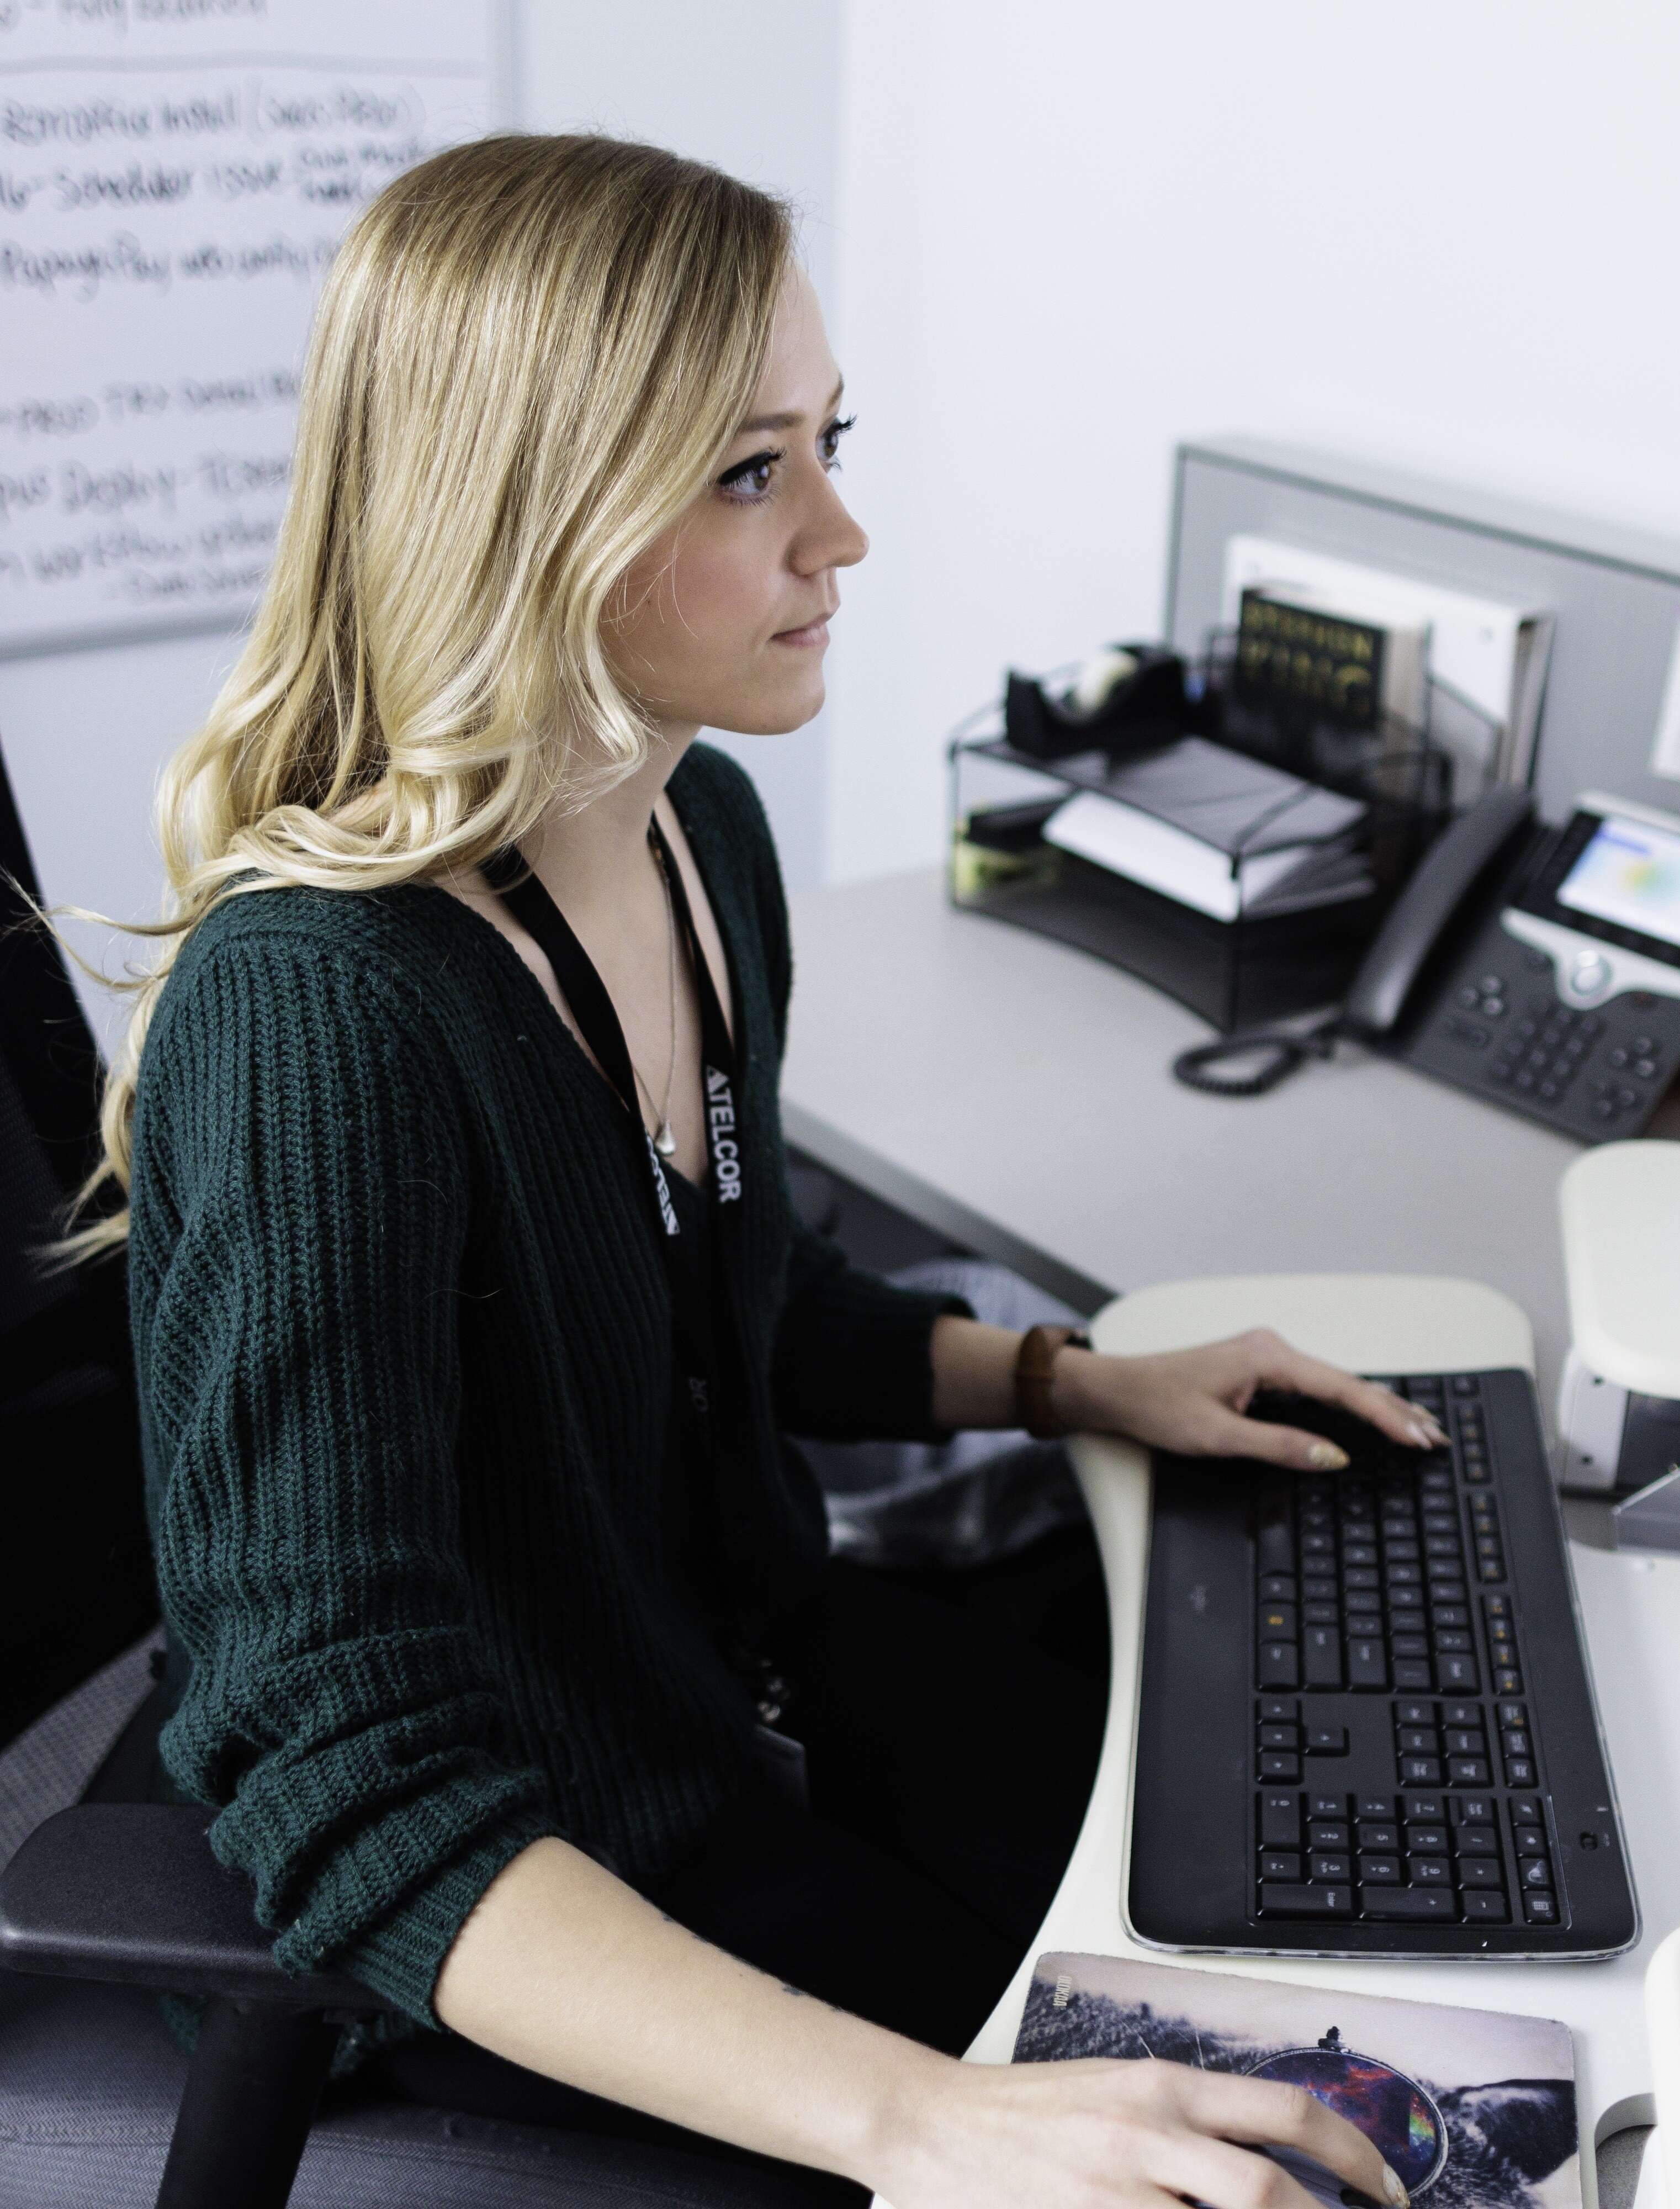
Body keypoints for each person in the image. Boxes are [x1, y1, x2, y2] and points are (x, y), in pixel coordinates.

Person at [84, 135, 1449, 2208]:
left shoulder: (693, 833)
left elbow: (737, 1291)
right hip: (511, 1891)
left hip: (736, 1684)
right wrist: (928, 2119)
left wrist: (1075, 1382)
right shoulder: (327, 1016)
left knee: (1295, 1914)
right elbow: (342, 1784)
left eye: (828, 443)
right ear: (529, 517)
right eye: (749, 473)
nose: (844, 533)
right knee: (1206, 2125)